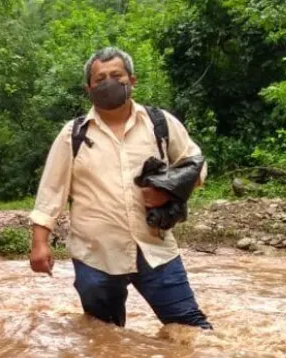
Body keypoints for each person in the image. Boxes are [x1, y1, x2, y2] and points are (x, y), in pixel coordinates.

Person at [28, 48, 212, 329]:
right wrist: (39, 243)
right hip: (95, 255)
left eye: (116, 75)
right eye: (100, 78)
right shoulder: (73, 134)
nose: (108, 82)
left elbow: (195, 163)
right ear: (89, 88)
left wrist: (168, 189)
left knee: (190, 329)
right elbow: (51, 191)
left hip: (155, 247)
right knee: (104, 335)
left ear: (132, 80)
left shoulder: (159, 123)